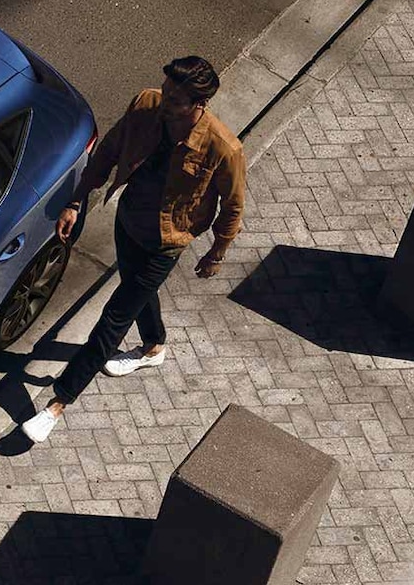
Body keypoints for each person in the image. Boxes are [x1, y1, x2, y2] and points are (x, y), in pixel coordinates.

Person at [25, 56, 249, 445]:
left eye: (176, 100)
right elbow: (110, 150)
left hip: (167, 242)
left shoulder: (222, 148)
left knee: (113, 319)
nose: (165, 102)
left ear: (200, 104)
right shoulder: (146, 104)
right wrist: (77, 201)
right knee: (135, 288)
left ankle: (57, 404)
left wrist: (217, 252)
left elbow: (232, 206)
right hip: (128, 221)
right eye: (166, 91)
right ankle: (154, 346)